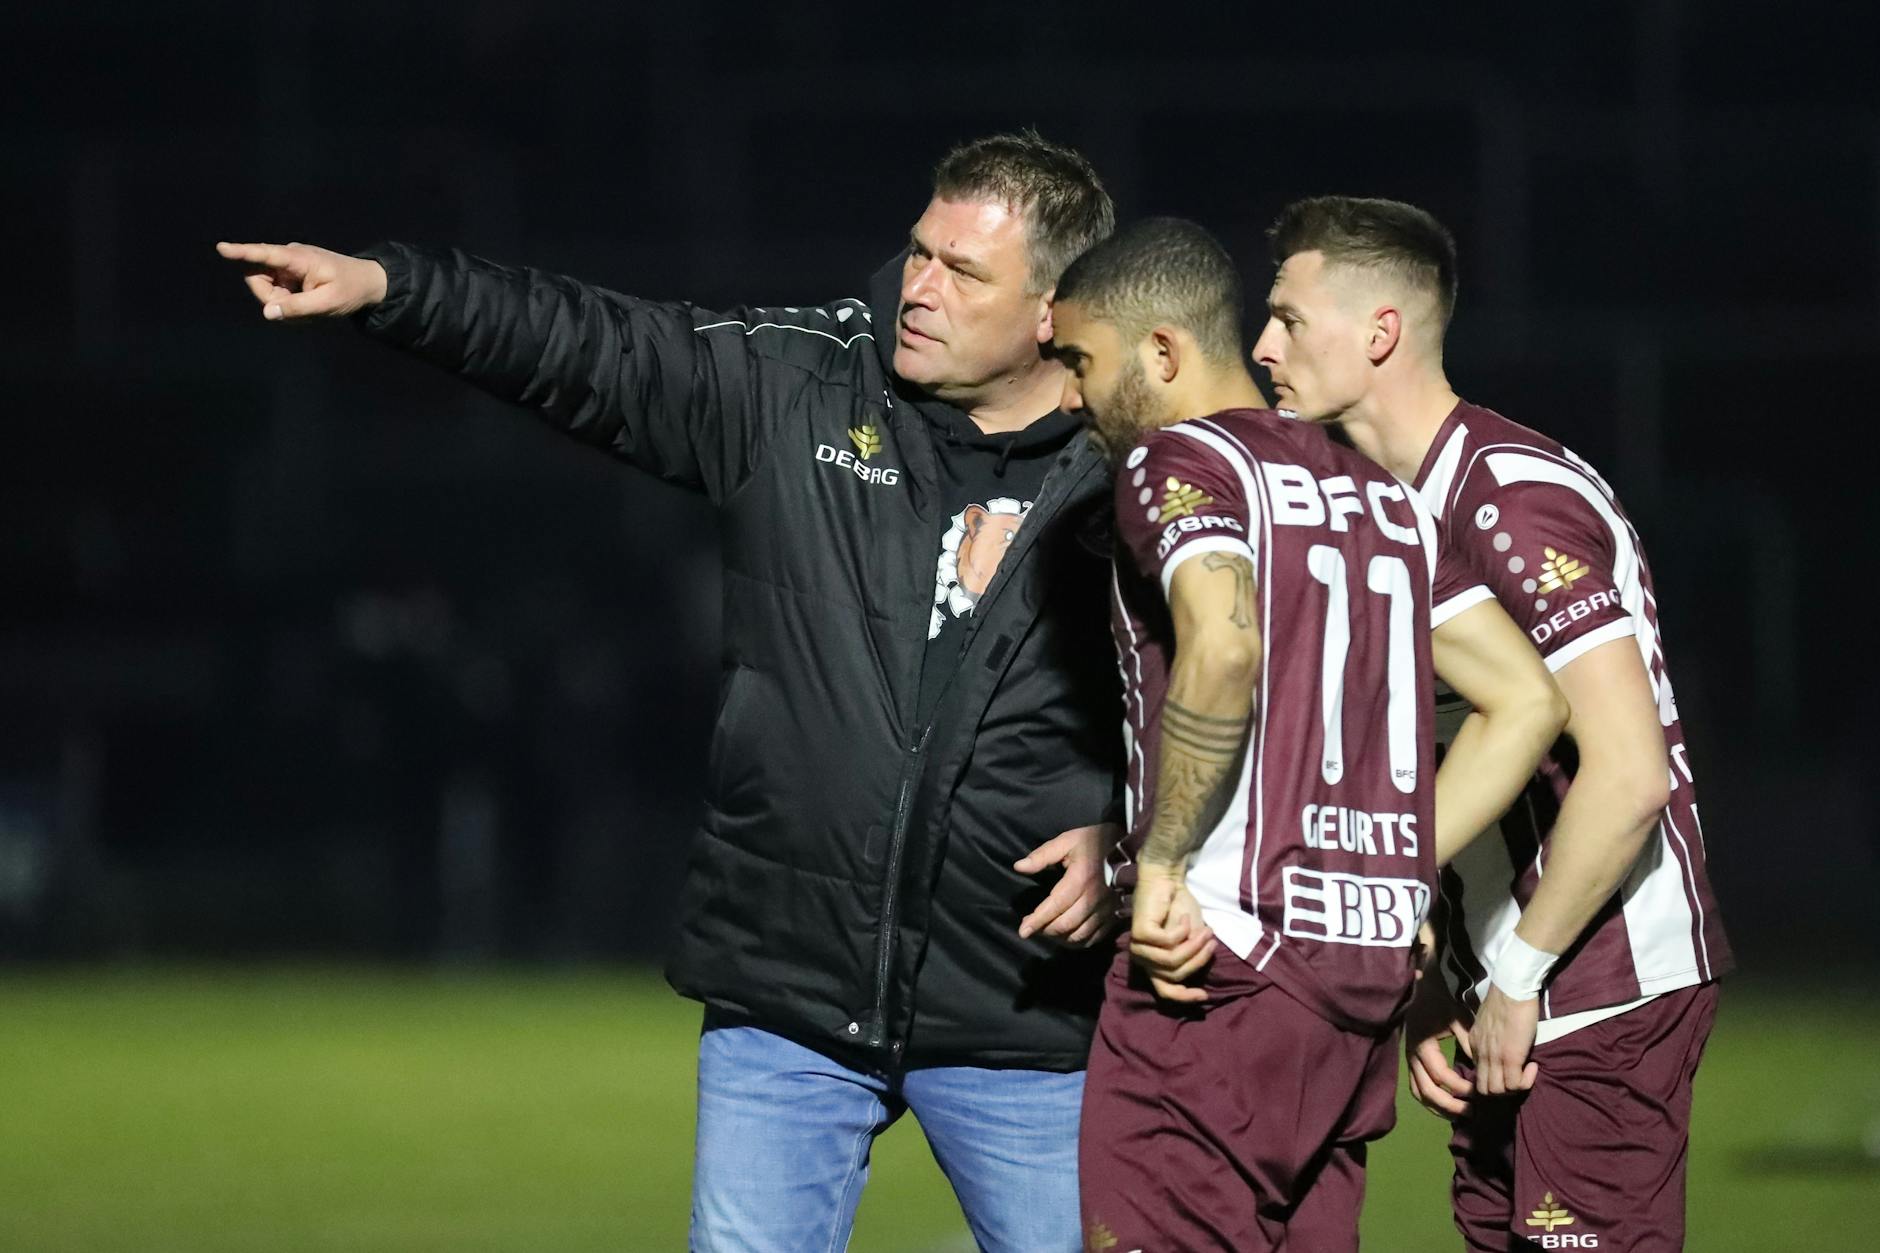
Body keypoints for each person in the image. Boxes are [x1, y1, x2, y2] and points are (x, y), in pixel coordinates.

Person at [217, 132, 1123, 1253]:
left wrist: (1127, 836)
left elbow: (1238, 696)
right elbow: (588, 343)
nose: (919, 288)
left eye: (963, 271)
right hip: (785, 1000)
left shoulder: (1135, 470)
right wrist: (392, 286)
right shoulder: (798, 384)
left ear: (1051, 310)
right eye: (920, 251)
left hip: (1018, 1010)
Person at [1051, 217, 1566, 1252]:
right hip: (1355, 975)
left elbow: (1223, 640)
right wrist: (1394, 871)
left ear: (1160, 352)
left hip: (1222, 963)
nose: (1068, 393)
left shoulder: (1177, 458)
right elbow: (1524, 699)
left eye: (1078, 359)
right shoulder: (1379, 492)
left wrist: (1155, 861)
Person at [1254, 195, 1734, 1252]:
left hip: (1593, 984)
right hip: (1494, 991)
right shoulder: (1364, 509)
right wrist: (1429, 986)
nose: (1260, 346)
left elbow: (1627, 769)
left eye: (1288, 318)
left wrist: (1518, 973)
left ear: (1378, 331)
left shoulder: (1506, 496)